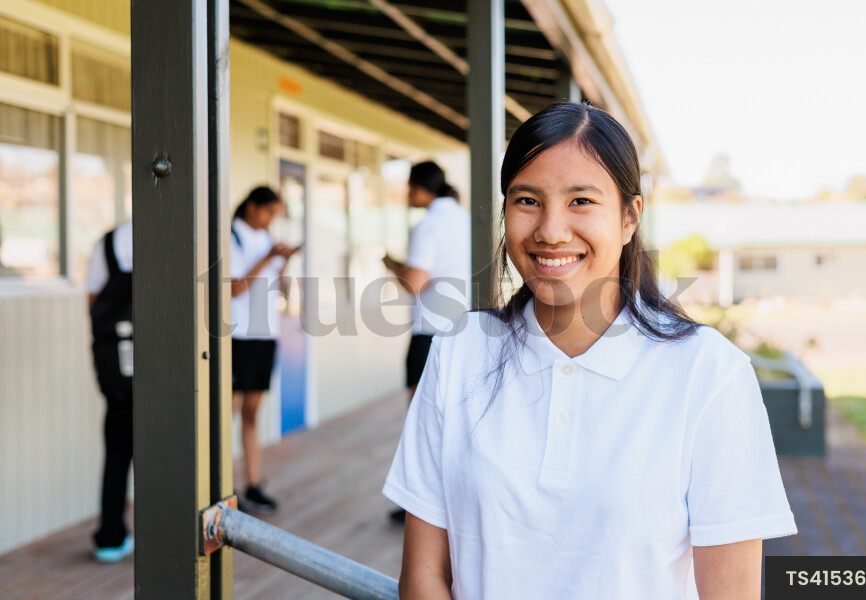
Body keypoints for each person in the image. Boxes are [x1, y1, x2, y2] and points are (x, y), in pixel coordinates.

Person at [383, 103, 797, 599]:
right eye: (527, 200)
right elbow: (424, 576)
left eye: (581, 200)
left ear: (629, 218)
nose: (551, 230)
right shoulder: (459, 353)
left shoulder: (708, 373)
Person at [382, 161, 471, 523]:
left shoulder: (428, 225)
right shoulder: (464, 220)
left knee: (421, 421)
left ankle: (419, 507)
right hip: (466, 328)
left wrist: (393, 266)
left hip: (430, 332)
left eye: (409, 186)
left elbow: (414, 282)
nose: (406, 194)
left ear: (421, 188)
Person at [230, 186, 299, 515]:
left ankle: (253, 483)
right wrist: (269, 257)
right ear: (252, 206)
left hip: (264, 334)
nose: (271, 219)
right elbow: (235, 288)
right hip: (239, 336)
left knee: (252, 413)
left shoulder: (265, 241)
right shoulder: (234, 237)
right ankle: (223, 487)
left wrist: (282, 262)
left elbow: (280, 290)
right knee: (227, 413)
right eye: (268, 212)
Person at [87, 220, 135, 563]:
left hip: (116, 369)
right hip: (167, 370)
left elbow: (93, 303)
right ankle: (169, 535)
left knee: (117, 451)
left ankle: (110, 536)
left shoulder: (106, 243)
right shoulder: (175, 234)